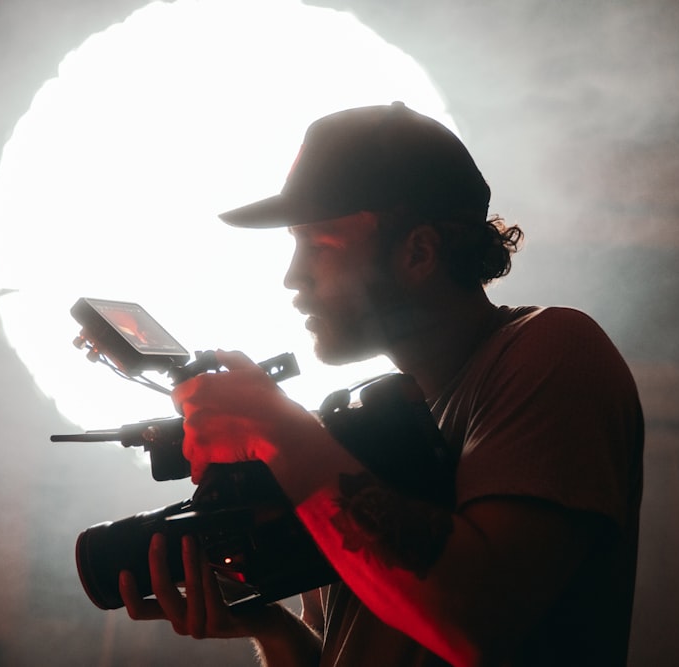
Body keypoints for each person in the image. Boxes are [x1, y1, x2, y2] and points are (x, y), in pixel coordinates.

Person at [119, 102, 644, 666]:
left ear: (419, 251)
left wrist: (277, 429)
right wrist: (270, 629)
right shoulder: (367, 432)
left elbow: (476, 625)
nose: (292, 276)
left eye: (319, 245)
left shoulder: (552, 351)